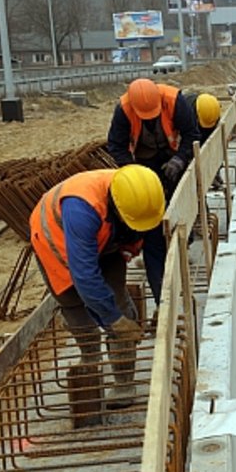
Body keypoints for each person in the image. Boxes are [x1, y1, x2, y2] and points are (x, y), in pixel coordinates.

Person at [29, 165, 166, 408]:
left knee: (119, 301)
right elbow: (84, 275)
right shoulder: (81, 210)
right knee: (77, 305)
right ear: (116, 208)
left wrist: (163, 303)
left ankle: (124, 383)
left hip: (107, 238)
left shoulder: (144, 202)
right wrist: (112, 319)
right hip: (58, 243)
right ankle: (90, 359)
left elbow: (156, 257)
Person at [106, 78, 201, 197]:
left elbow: (192, 134)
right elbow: (116, 145)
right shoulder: (123, 109)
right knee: (148, 192)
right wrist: (132, 170)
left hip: (171, 150)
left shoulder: (174, 100)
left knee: (181, 189)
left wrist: (180, 158)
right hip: (144, 155)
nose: (150, 119)